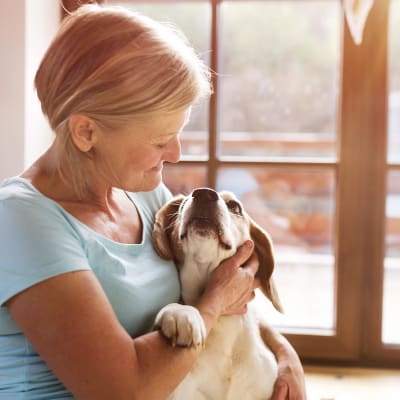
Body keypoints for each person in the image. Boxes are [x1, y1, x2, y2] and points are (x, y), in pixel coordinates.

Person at [0, 4, 306, 399]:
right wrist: (212, 304)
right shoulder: (21, 221)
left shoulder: (144, 196)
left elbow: (225, 289)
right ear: (86, 132)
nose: (176, 153)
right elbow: (123, 389)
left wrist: (283, 352)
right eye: (160, 140)